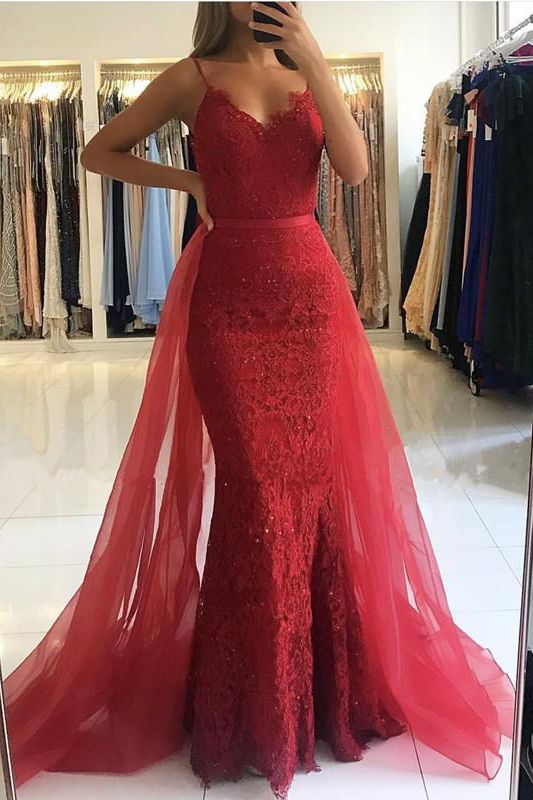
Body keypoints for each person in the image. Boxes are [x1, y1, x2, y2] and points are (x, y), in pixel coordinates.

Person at [3, 4, 515, 800]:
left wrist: (313, 57)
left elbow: (353, 170)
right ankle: (255, 706)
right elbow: (99, 150)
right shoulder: (192, 78)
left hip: (309, 301)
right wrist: (188, 180)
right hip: (227, 306)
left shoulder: (309, 69)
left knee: (310, 491)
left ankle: (319, 692)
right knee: (253, 490)